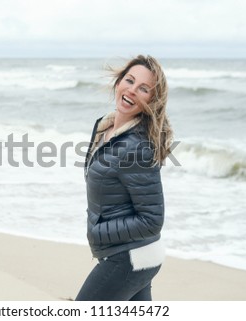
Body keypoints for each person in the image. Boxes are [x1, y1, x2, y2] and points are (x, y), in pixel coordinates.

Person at [75, 55, 173, 301]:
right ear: (118, 82)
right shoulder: (104, 128)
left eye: (144, 89)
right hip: (135, 256)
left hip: (130, 257)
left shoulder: (137, 146)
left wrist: (98, 232)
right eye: (129, 80)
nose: (132, 90)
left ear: (152, 100)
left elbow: (152, 220)